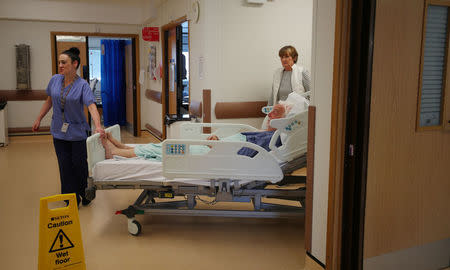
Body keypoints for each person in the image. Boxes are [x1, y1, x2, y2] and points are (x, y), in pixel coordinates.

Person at [32, 47, 104, 206]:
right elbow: (49, 101)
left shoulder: (82, 85)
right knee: (64, 165)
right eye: (59, 62)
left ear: (75, 64)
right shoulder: (55, 80)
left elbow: (91, 106)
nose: (60, 65)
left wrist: (98, 126)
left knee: (79, 164)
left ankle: (85, 193)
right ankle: (70, 198)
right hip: (58, 131)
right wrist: (38, 119)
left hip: (77, 132)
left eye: (64, 62)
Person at [100, 103, 288, 161]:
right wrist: (217, 141)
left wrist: (216, 146)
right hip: (211, 150)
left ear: (283, 121)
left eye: (275, 113)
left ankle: (115, 152)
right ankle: (124, 147)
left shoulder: (270, 139)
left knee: (165, 150)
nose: (269, 114)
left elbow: (242, 154)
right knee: (164, 147)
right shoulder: (262, 133)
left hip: (210, 155)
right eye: (270, 111)